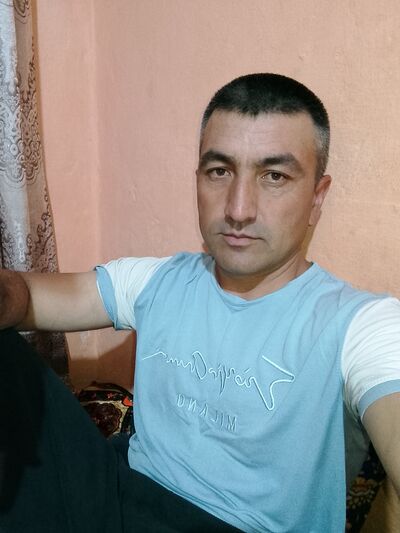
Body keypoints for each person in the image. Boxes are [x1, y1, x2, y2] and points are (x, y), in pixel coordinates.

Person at [0, 73, 399, 533]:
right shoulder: (158, 280)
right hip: (115, 498)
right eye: (219, 171)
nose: (238, 209)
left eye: (274, 176)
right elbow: (27, 297)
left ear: (317, 197)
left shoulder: (362, 325)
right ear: (197, 180)